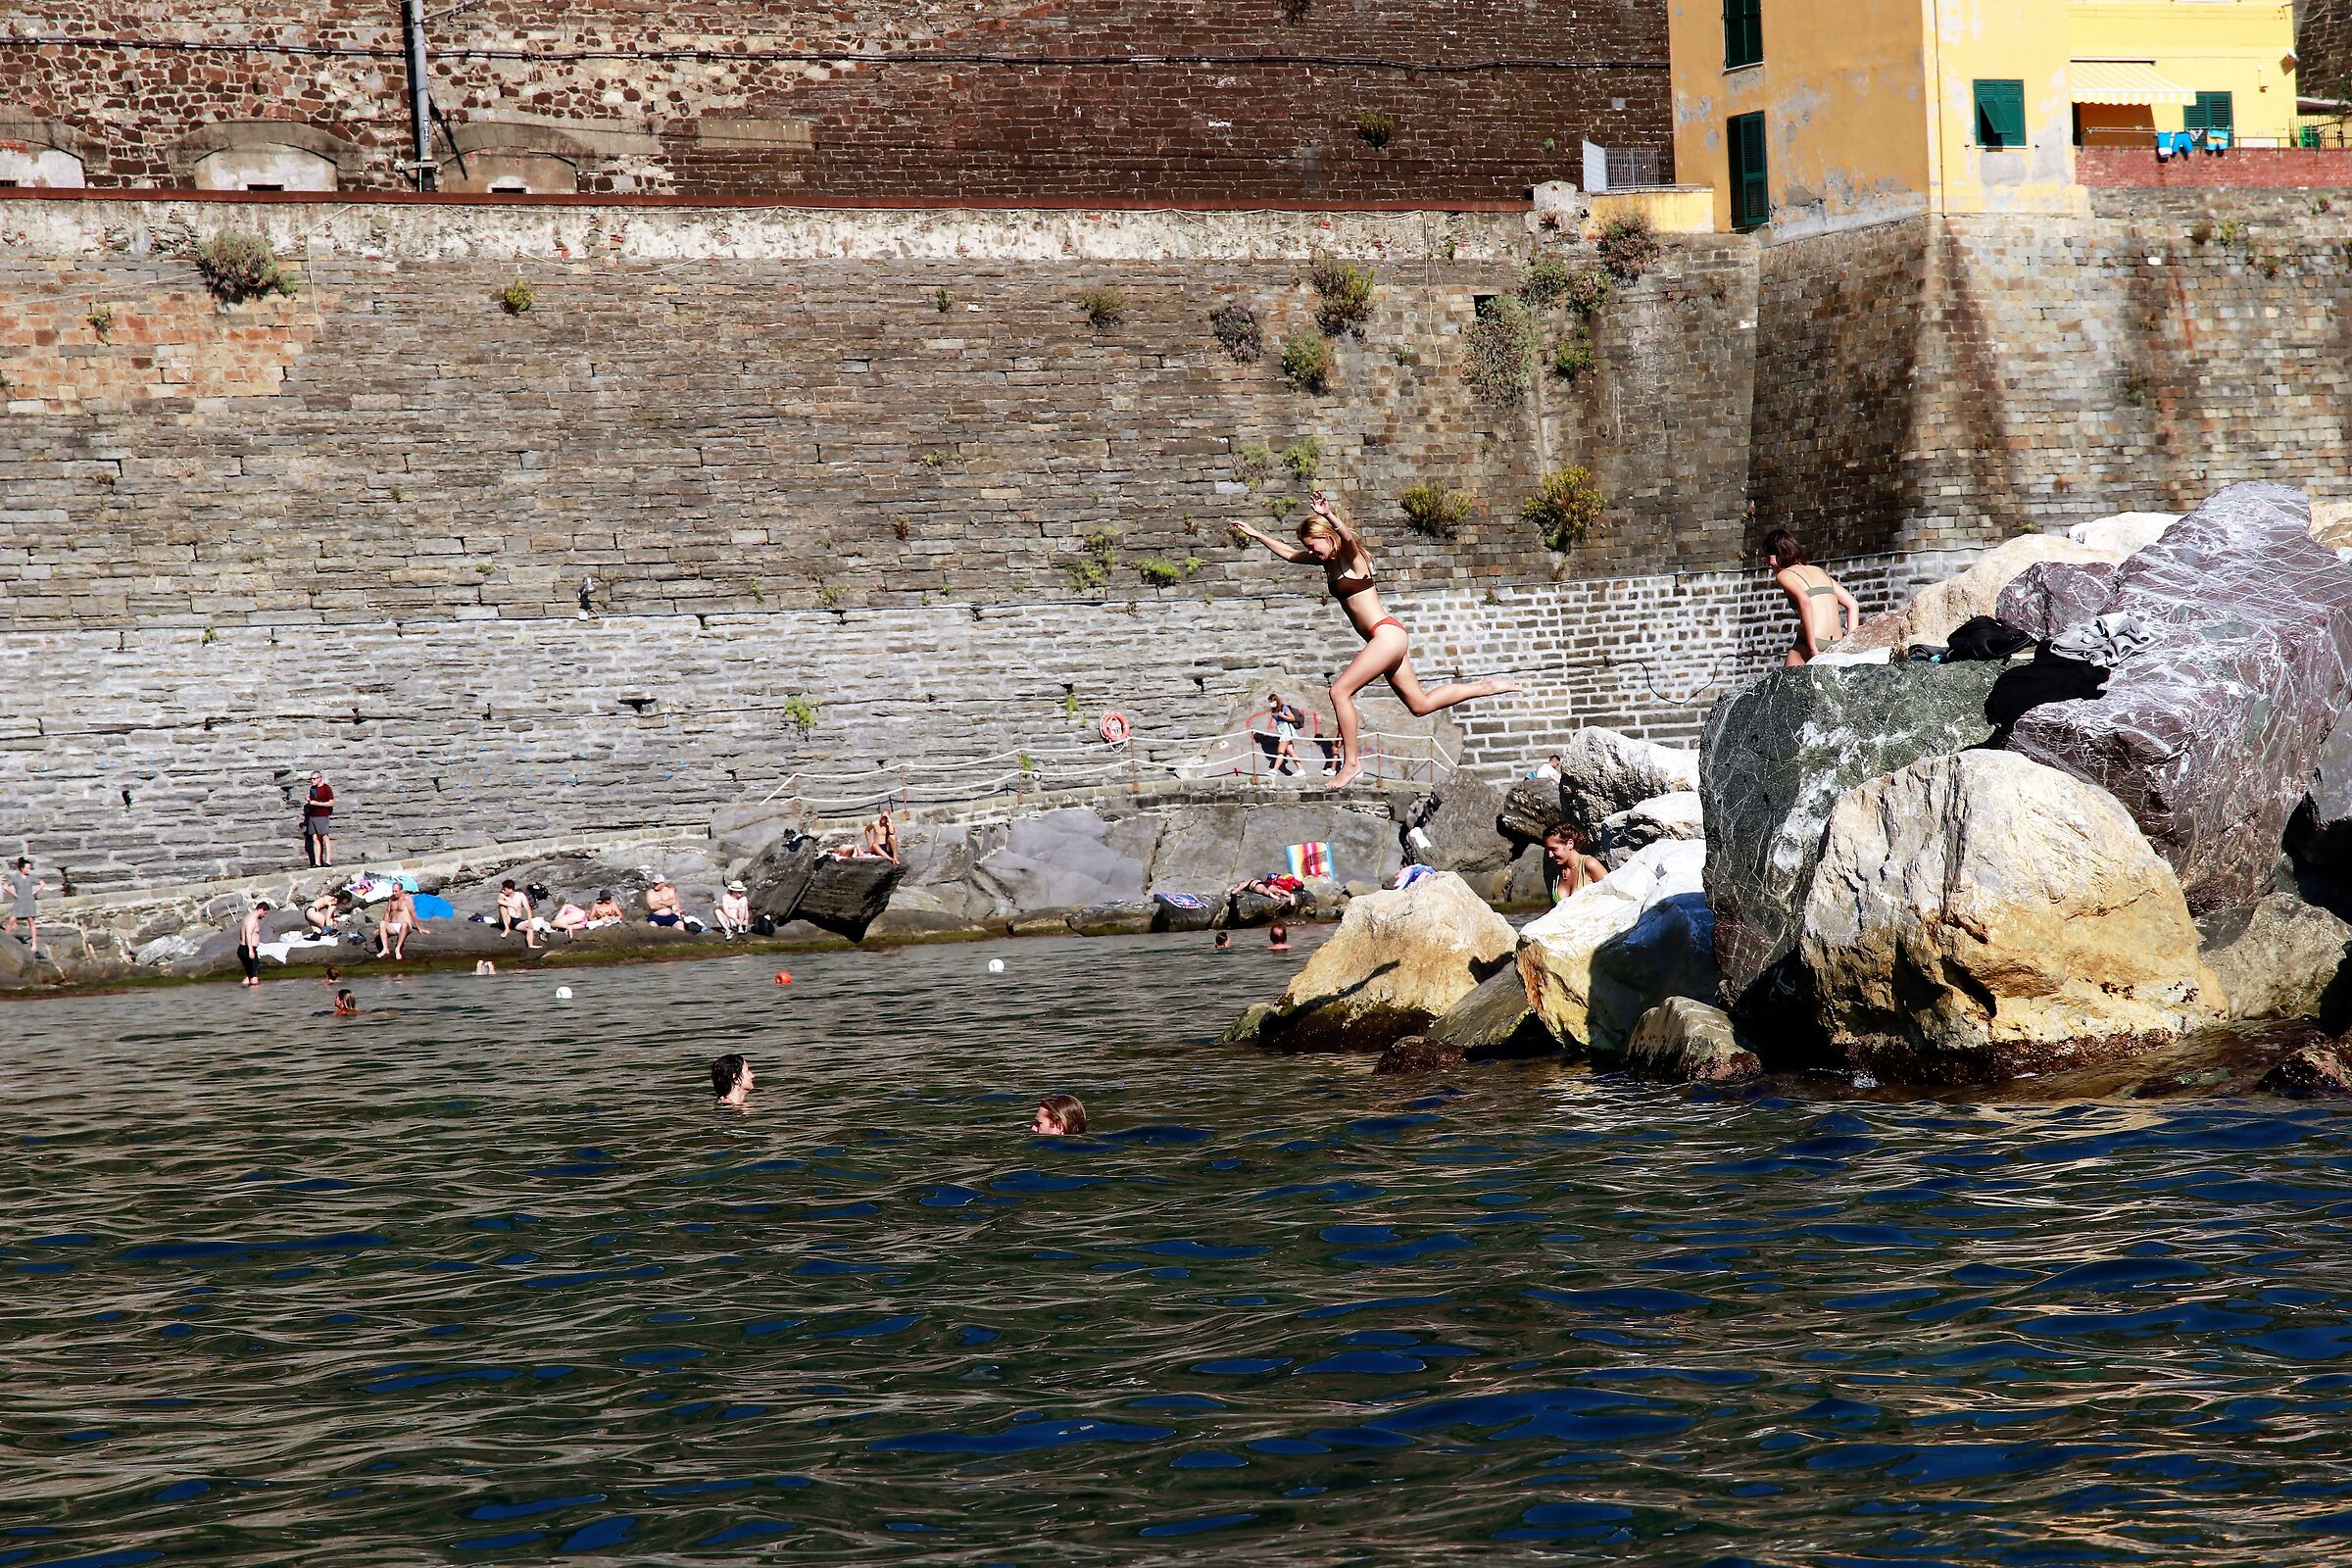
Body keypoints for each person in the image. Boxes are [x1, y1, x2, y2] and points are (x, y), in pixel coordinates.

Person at [1232, 492, 1516, 790]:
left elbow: (1347, 538)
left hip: (1385, 635)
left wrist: (1329, 515)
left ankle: (1351, 764)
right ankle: (1484, 687)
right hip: (1388, 638)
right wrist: (1256, 534)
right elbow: (1289, 554)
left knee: (1339, 692)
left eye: (1313, 546)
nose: (1311, 553)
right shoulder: (1326, 563)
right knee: (1420, 704)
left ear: (1327, 538)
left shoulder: (1353, 560)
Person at [1764, 528, 1860, 666]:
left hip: (1812, 641)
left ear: (1779, 553)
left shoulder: (1784, 575)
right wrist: (1850, 642)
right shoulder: (1819, 571)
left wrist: (1812, 647)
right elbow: (1852, 604)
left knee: (1786, 679)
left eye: (1768, 556)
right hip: (1836, 643)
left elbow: (1805, 601)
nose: (1768, 562)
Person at [1543, 822, 1607, 905]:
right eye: (1548, 850)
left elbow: (1611, 893)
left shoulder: (1590, 864)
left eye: (1553, 849)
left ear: (1570, 844)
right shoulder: (1556, 872)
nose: (1550, 855)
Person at [4, 857, 47, 957]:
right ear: (21, 868)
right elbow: (5, 886)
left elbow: (42, 883)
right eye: (27, 868)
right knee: (11, 920)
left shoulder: (31, 877)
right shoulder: (15, 877)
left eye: (29, 868)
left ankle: (34, 943)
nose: (29, 870)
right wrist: (14, 894)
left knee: (31, 921)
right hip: (19, 901)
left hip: (29, 901)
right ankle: (5, 940)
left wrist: (34, 893)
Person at [495, 880, 543, 950]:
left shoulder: (520, 895)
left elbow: (528, 909)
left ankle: (530, 944)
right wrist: (511, 905)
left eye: (504, 889)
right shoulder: (502, 895)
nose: (502, 891)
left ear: (510, 890)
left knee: (529, 928)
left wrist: (529, 922)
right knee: (502, 907)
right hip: (506, 919)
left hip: (516, 919)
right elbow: (499, 901)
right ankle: (507, 928)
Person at [302, 772, 336, 867]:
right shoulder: (312, 789)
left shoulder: (326, 788)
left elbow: (331, 802)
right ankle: (317, 862)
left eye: (314, 779)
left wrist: (318, 804)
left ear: (320, 778)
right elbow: (312, 801)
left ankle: (328, 861)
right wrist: (308, 800)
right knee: (315, 838)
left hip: (322, 815)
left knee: (324, 837)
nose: (312, 781)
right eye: (311, 779)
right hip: (313, 815)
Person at [1266, 693, 1304, 775]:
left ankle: (1274, 770)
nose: (1271, 703)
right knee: (1290, 752)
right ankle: (1300, 769)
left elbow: (1292, 718)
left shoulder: (1284, 707)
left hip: (1286, 731)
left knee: (1280, 751)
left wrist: (1282, 716)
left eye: (1272, 701)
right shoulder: (1274, 710)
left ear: (1276, 700)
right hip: (1282, 731)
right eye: (1270, 702)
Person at [375, 885, 416, 961]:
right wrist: (380, 928)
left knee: (404, 924)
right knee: (382, 923)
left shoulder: (407, 899)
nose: (394, 893)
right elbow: (387, 912)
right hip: (393, 925)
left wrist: (420, 928)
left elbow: (413, 913)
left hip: (405, 925)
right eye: (393, 891)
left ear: (401, 890)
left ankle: (397, 948)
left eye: (396, 891)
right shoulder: (391, 899)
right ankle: (385, 949)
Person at [238, 900, 271, 988]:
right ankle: (255, 995)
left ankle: (243, 991)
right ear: (261, 909)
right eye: (265, 913)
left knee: (249, 975)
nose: (264, 916)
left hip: (243, 948)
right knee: (254, 976)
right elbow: (248, 934)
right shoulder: (252, 919)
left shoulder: (247, 917)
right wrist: (250, 951)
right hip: (248, 948)